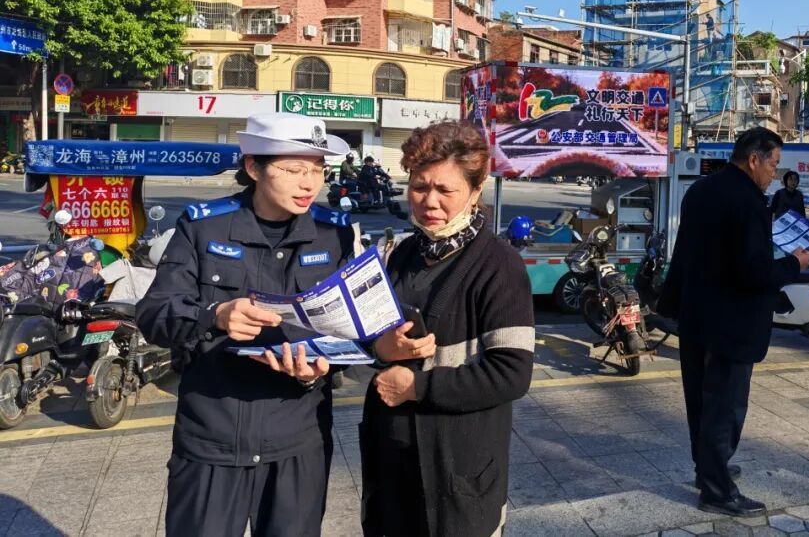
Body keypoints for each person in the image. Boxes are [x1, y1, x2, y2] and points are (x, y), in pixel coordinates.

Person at [136, 113, 356, 537]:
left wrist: (322, 369)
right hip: (212, 442)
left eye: (317, 170)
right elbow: (154, 313)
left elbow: (350, 330)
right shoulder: (203, 227)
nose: (309, 183)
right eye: (294, 169)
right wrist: (214, 316)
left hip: (297, 443)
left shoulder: (335, 235)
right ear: (254, 167)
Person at [359, 120, 535, 537]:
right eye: (419, 187)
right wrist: (382, 349)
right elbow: (369, 336)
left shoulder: (499, 265)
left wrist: (418, 387)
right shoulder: (400, 254)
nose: (429, 202)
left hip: (459, 467)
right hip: (392, 461)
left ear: (475, 191)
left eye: (445, 190)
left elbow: (512, 373)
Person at [657, 127, 809, 517]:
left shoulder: (700, 190)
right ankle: (718, 492)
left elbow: (685, 251)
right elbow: (754, 272)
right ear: (754, 159)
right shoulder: (749, 203)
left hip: (696, 315)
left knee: (700, 402)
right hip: (733, 322)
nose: (775, 173)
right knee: (724, 408)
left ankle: (708, 468)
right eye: (773, 164)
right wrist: (795, 264)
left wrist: (669, 304)